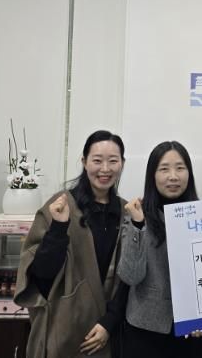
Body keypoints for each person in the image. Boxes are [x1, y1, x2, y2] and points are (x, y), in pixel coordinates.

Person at [15, 130, 129, 357]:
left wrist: (109, 323)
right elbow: (41, 274)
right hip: (63, 329)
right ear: (84, 162)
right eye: (97, 160)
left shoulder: (125, 212)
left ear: (122, 164)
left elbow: (128, 278)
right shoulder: (61, 205)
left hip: (108, 330)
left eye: (113, 161)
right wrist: (59, 226)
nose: (105, 169)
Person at [118, 141, 202, 358]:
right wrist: (138, 225)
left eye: (180, 168)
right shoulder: (137, 215)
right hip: (144, 329)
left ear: (189, 173)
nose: (173, 176)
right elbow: (131, 276)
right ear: (152, 175)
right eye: (164, 169)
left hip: (191, 331)